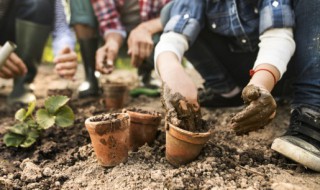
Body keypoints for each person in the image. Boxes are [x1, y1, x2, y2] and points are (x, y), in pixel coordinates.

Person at [155, 1, 320, 172]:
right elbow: (173, 37)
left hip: (290, 68)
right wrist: (172, 70)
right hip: (244, 72)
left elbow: (277, 37)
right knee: (170, 11)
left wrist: (260, 83)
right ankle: (228, 91)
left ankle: (312, 111)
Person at [74, 0, 170, 98]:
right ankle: (90, 77)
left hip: (152, 37)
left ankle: (145, 74)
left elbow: (177, 11)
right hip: (109, 36)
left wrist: (146, 29)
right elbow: (109, 20)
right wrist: (112, 43)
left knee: (172, 25)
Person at [0, 0, 77, 104]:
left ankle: (21, 87)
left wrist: (64, 50)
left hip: (16, 30)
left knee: (40, 3)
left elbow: (60, 27)